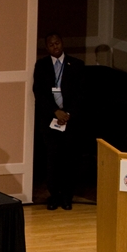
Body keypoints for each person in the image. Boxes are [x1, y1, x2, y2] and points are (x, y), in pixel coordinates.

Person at [32, 32, 84, 211]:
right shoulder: (41, 66)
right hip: (50, 121)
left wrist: (68, 114)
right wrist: (56, 112)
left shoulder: (76, 65)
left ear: (62, 43)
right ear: (47, 48)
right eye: (51, 45)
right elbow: (38, 92)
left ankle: (67, 196)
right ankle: (54, 195)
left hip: (71, 122)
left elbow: (80, 94)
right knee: (52, 160)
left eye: (58, 43)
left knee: (69, 161)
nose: (55, 46)